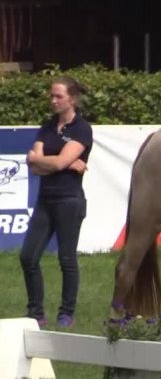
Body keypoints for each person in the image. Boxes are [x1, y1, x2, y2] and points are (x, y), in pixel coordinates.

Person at [20, 76, 93, 329]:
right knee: (28, 257)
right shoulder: (47, 126)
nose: (53, 100)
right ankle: (35, 313)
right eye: (51, 95)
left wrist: (51, 161)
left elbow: (44, 161)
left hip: (69, 202)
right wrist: (63, 162)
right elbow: (36, 166)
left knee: (66, 259)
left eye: (58, 96)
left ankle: (66, 313)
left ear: (71, 99)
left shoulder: (82, 129)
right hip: (45, 201)